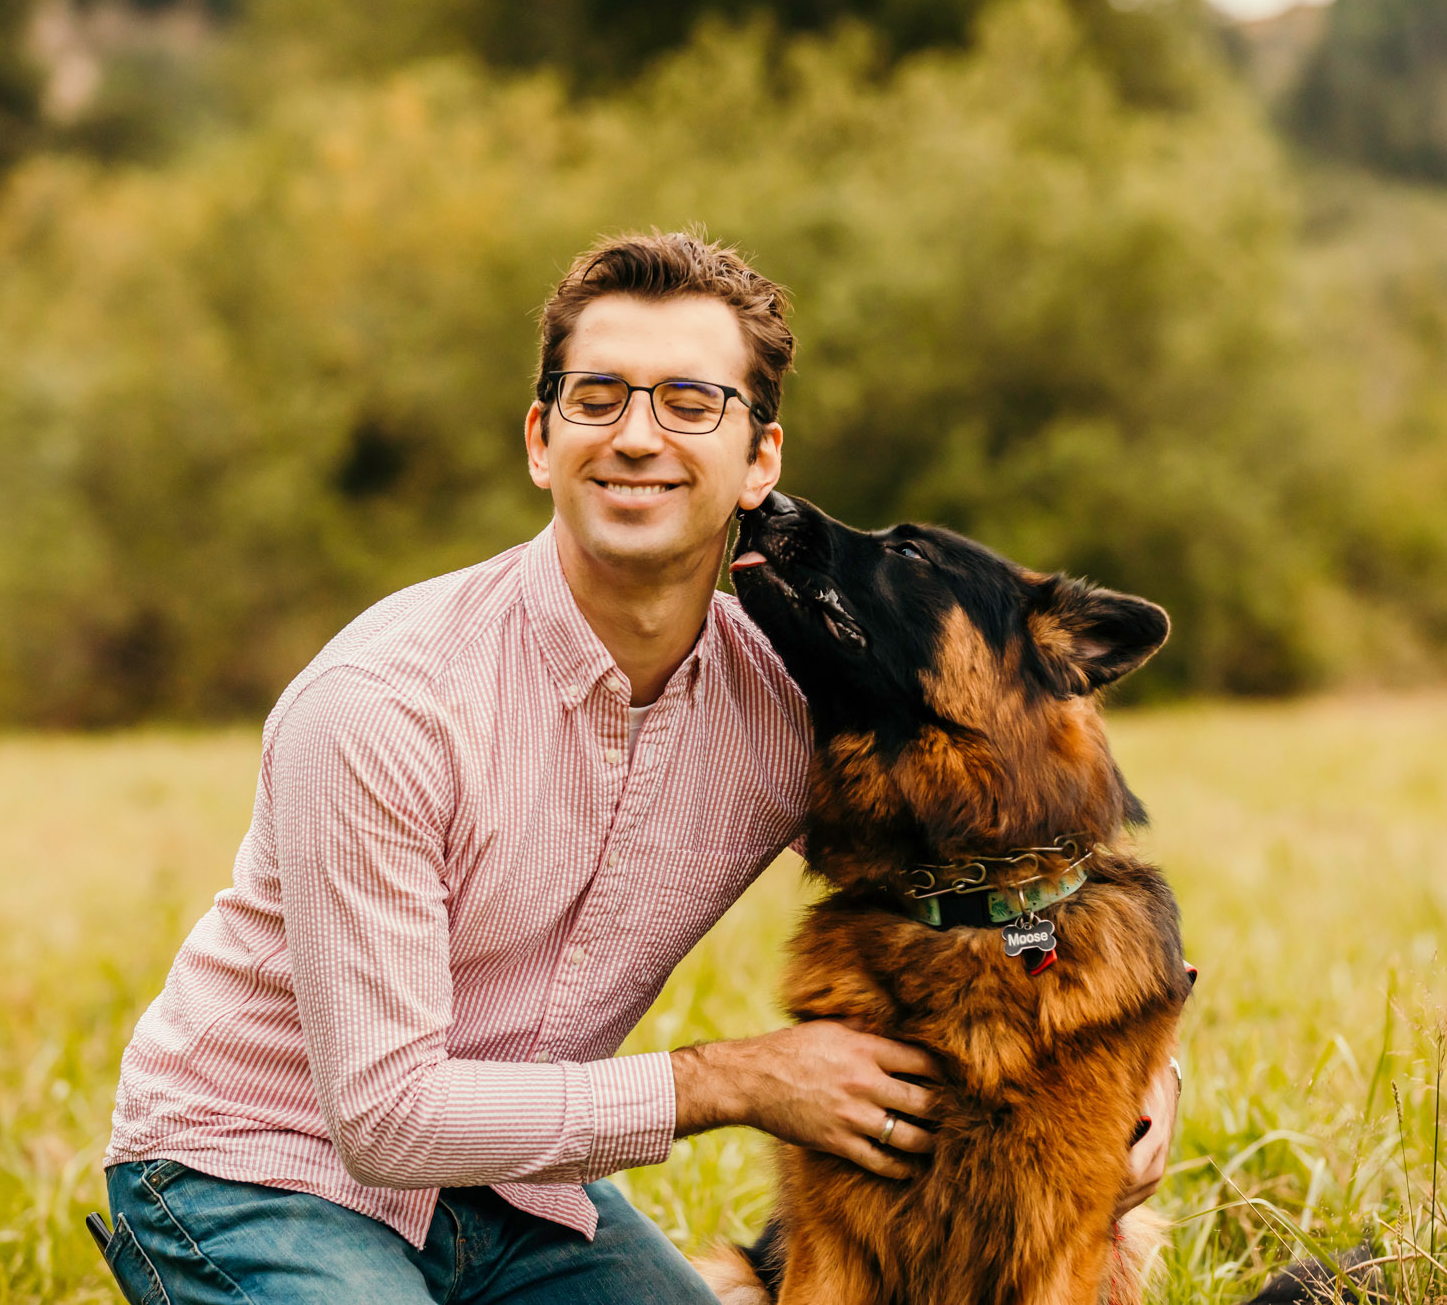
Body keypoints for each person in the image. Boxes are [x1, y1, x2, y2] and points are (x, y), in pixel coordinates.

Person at [98, 231, 1180, 1304]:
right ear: (539, 437)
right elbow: (385, 1119)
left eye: (689, 402)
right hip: (256, 1168)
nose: (636, 437)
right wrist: (738, 1079)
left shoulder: (782, 703)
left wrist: (1142, 1081)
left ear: (759, 460)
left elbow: (1007, 873)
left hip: (516, 1187)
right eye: (598, 396)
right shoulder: (381, 706)